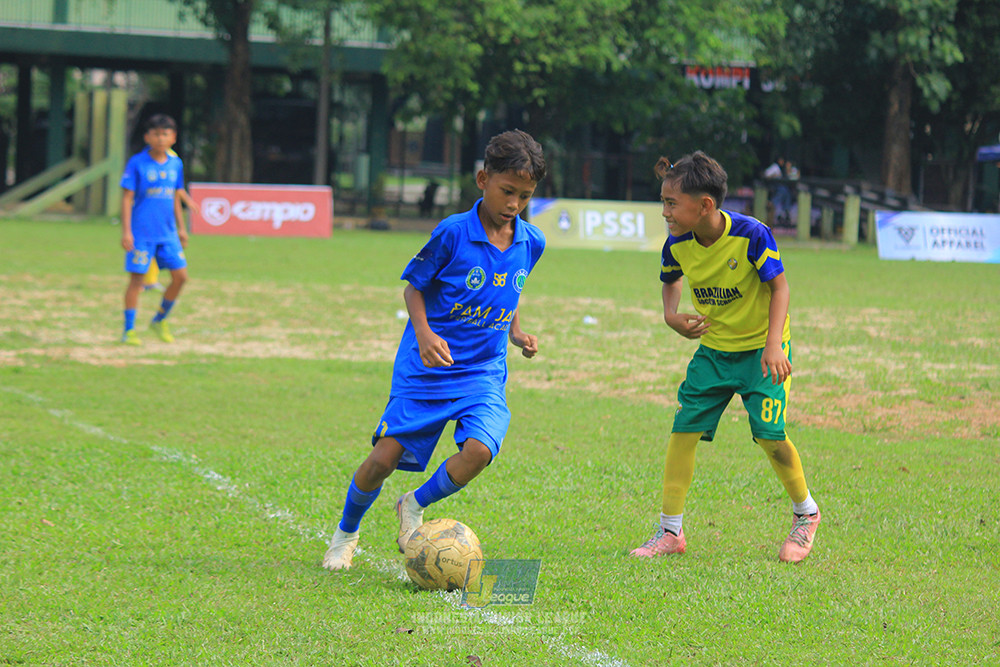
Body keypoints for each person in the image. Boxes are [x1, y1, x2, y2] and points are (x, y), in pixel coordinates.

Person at [323, 130, 547, 571]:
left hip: (482, 371)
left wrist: (516, 332)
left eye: (524, 196)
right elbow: (414, 289)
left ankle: (414, 504)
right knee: (382, 461)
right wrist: (424, 334)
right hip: (427, 369)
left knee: (480, 450)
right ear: (483, 179)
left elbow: (511, 289)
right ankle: (345, 535)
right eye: (507, 191)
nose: (514, 204)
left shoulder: (531, 241)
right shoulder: (452, 232)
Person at [630, 150, 821, 563]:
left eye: (670, 203)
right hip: (715, 351)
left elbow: (781, 288)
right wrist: (670, 316)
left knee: (770, 435)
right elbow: (670, 278)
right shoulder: (677, 243)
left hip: (761, 350)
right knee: (683, 430)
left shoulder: (752, 234)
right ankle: (670, 531)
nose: (664, 212)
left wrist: (773, 343)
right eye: (663, 202)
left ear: (705, 206)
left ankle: (806, 514)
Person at [119, 114, 188, 345]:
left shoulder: (176, 163)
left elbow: (175, 197)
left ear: (174, 137)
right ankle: (129, 331)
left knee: (181, 277)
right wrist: (127, 231)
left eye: (165, 134)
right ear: (148, 137)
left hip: (168, 233)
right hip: (142, 233)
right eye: (156, 134)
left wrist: (182, 228)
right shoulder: (137, 163)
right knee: (136, 282)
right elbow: (127, 198)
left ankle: (159, 319)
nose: (161, 138)